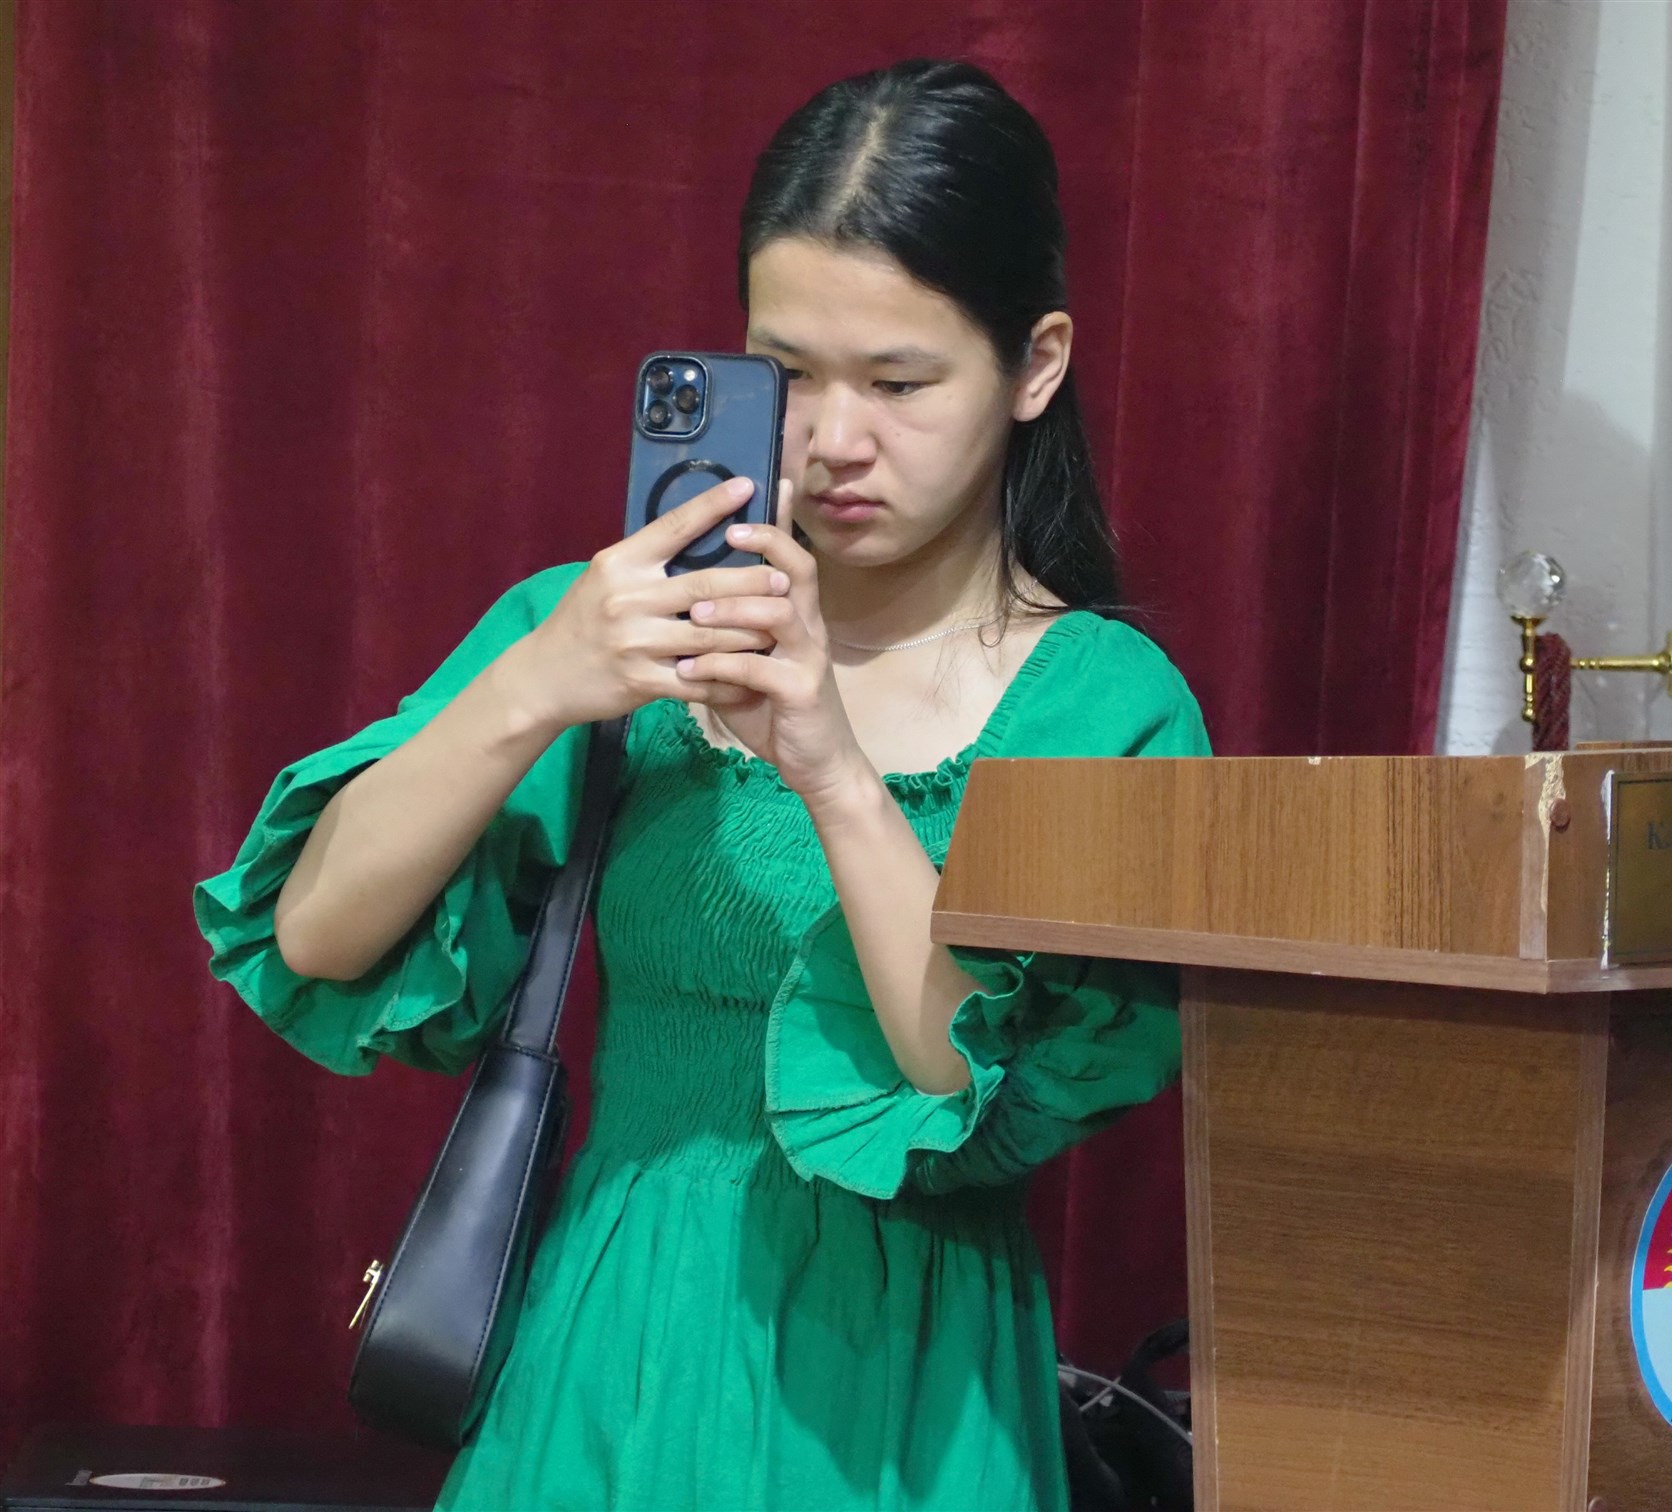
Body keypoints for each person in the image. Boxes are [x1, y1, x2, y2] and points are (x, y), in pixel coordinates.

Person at [195, 57, 1209, 1510]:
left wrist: (833, 768)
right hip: (606, 1352)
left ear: (1033, 365)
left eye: (900, 382)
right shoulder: (610, 627)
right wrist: (538, 681)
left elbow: (959, 1086)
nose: (835, 439)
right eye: (785, 373)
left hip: (902, 1395)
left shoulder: (1104, 705)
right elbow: (316, 936)